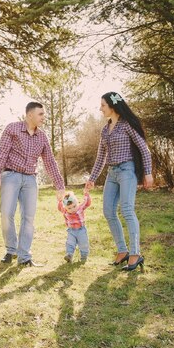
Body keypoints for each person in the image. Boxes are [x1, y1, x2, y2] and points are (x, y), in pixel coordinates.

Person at [0, 102, 65, 267]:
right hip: (11, 175)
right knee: (6, 213)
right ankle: (11, 250)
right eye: (41, 114)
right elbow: (1, 152)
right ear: (30, 114)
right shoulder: (13, 129)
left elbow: (50, 162)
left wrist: (59, 185)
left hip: (30, 179)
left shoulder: (42, 137)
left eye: (44, 114)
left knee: (28, 218)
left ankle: (24, 256)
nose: (43, 117)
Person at [84, 92, 153, 271]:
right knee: (108, 211)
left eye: (103, 105)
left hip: (127, 171)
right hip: (112, 173)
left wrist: (148, 172)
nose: (100, 108)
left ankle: (135, 253)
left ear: (113, 106)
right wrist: (92, 179)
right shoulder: (105, 130)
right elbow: (101, 157)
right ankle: (122, 251)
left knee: (127, 210)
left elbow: (144, 149)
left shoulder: (126, 125)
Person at [58, 190, 92, 263]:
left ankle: (84, 257)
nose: (72, 209)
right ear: (66, 208)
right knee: (70, 243)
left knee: (83, 244)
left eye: (74, 206)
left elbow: (87, 203)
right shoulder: (65, 211)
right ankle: (69, 255)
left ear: (77, 203)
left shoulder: (80, 208)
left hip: (81, 230)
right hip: (71, 231)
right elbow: (60, 207)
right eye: (69, 208)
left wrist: (86, 194)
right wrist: (60, 200)